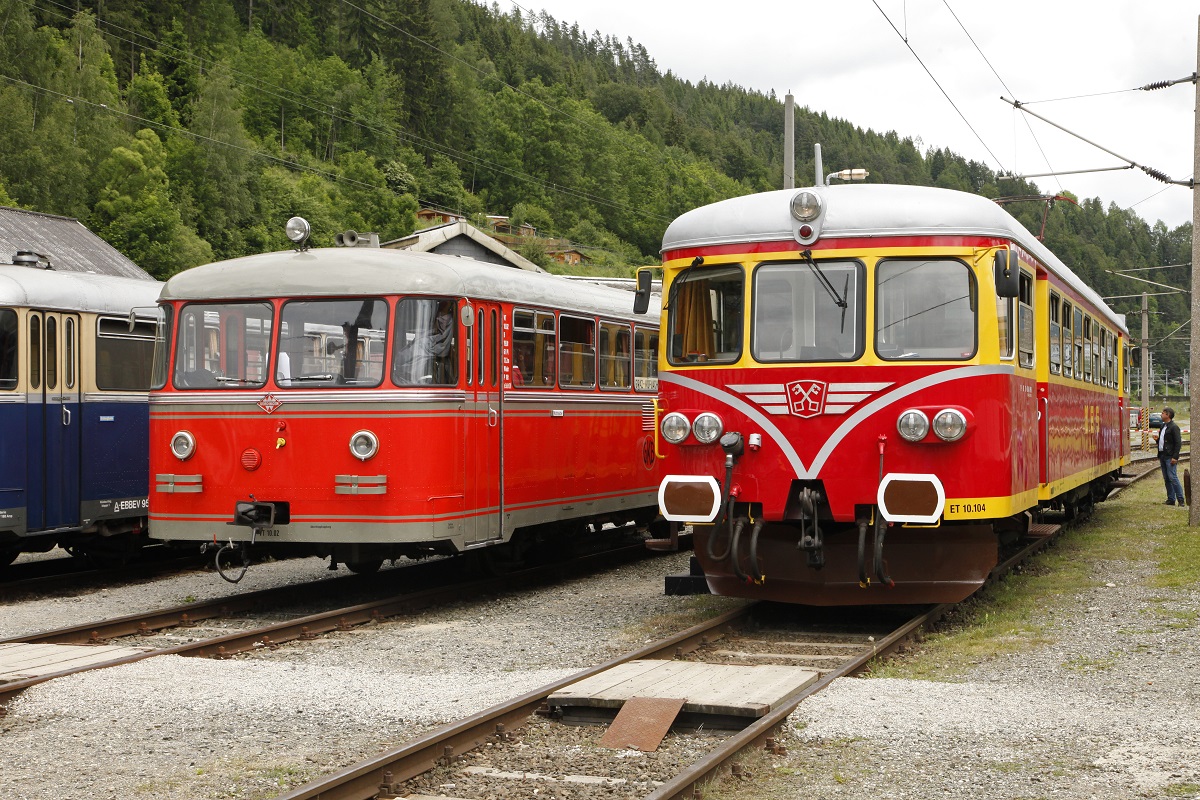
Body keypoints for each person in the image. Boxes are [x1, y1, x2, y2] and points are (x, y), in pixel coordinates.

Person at [1157, 406, 1185, 507]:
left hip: (1170, 456)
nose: (1161, 414)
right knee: (1167, 478)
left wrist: (1175, 457)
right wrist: (1157, 440)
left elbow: (1178, 443)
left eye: (1163, 413)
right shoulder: (1163, 426)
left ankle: (1181, 500)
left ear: (1167, 415)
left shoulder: (1174, 427)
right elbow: (1164, 441)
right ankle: (1171, 499)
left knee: (1173, 477)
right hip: (1162, 455)